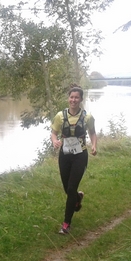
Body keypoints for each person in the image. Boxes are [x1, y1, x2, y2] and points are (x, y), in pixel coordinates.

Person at [50, 86, 97, 235]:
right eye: (71, 97)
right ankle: (78, 197)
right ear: (68, 98)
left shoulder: (87, 117)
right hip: (65, 156)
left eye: (77, 97)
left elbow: (92, 132)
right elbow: (53, 133)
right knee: (67, 189)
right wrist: (55, 141)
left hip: (80, 156)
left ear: (81, 99)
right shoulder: (60, 116)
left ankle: (66, 224)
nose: (73, 100)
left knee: (71, 188)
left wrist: (94, 146)